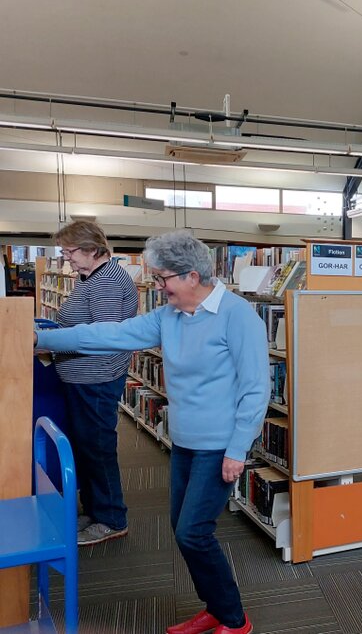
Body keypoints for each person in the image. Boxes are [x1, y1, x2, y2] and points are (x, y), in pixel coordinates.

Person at [36, 230, 267, 634]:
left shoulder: (237, 315)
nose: (158, 288)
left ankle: (234, 619)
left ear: (192, 276)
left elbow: (255, 388)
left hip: (219, 446)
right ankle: (215, 607)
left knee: (193, 532)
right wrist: (41, 338)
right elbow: (106, 334)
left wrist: (237, 449)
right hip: (185, 442)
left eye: (163, 279)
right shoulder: (170, 316)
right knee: (182, 531)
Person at [50, 220, 139, 546]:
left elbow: (102, 338)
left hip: (96, 379)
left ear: (91, 248)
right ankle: (95, 510)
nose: (67, 258)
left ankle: (112, 518)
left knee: (98, 448)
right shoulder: (92, 278)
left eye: (70, 251)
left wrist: (52, 343)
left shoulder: (107, 283)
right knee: (86, 446)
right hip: (83, 378)